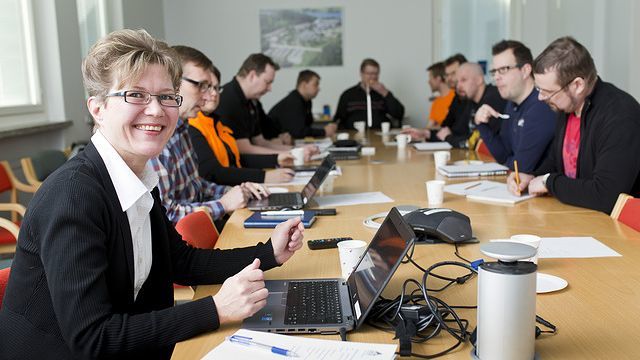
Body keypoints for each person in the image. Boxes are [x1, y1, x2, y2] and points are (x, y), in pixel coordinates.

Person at [0, 29, 305, 359]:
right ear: (97, 108)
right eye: (136, 95)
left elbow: (182, 262)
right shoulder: (74, 197)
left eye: (165, 96)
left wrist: (269, 252)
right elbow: (93, 338)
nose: (156, 110)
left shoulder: (138, 176)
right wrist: (216, 309)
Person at [507, 36, 640, 213]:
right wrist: (531, 177)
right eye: (539, 90)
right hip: (579, 216)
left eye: (547, 92)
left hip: (618, 231)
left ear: (577, 85)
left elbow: (606, 196)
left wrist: (549, 182)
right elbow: (557, 163)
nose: (540, 98)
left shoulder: (620, 115)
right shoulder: (567, 107)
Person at [150, 46, 267, 225]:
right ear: (172, 83)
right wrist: (223, 204)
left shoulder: (182, 130)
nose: (208, 97)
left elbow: (197, 186)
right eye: (201, 86)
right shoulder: (156, 139)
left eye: (211, 87)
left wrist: (233, 192)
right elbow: (167, 214)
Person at [189, 64, 295, 185]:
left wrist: (276, 159)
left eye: (217, 88)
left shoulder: (216, 123)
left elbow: (236, 159)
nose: (214, 93)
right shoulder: (192, 126)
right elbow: (212, 172)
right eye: (206, 87)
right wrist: (264, 176)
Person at [474, 40, 556, 172]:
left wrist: (509, 162)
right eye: (494, 71)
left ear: (525, 70)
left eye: (503, 70)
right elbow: (503, 155)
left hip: (543, 191)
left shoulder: (542, 106)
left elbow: (521, 167)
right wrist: (481, 124)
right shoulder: (512, 104)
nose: (496, 77)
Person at [218, 53, 310, 155]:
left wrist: (297, 150)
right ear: (252, 76)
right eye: (267, 82)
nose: (270, 88)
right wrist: (290, 154)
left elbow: (260, 142)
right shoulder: (229, 100)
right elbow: (244, 149)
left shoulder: (251, 101)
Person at [403, 53, 466, 141]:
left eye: (453, 73)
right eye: (447, 75)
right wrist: (423, 133)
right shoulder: (456, 98)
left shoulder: (461, 97)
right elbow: (445, 126)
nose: (449, 78)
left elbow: (455, 131)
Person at [334, 58, 405, 130]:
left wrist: (385, 93)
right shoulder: (348, 94)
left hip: (380, 135)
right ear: (361, 74)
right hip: (354, 135)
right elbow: (338, 119)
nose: (373, 77)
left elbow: (399, 114)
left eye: (376, 74)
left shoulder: (383, 93)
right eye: (369, 74)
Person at [269, 69, 337, 139]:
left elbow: (307, 126)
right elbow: (298, 132)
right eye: (315, 84)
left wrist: (325, 130)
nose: (318, 88)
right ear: (304, 85)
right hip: (272, 143)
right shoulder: (294, 102)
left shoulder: (307, 101)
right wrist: (324, 131)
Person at [426, 61, 455, 128]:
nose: (428, 82)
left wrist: (437, 127)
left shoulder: (456, 97)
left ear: (438, 79)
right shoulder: (436, 102)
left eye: (430, 78)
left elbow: (454, 126)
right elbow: (429, 128)